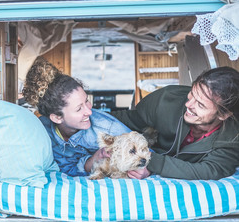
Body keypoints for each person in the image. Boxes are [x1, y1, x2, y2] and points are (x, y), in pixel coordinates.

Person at [111, 66, 239, 180]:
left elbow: (209, 170)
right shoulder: (167, 99)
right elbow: (128, 120)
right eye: (192, 94)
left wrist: (151, 163)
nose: (188, 104)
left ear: (223, 114)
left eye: (200, 104)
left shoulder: (233, 139)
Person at [22, 57, 131, 177]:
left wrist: (145, 169)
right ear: (57, 118)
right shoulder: (43, 131)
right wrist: (95, 158)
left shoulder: (107, 127)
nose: (89, 111)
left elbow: (145, 153)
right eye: (79, 108)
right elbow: (67, 169)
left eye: (87, 101)